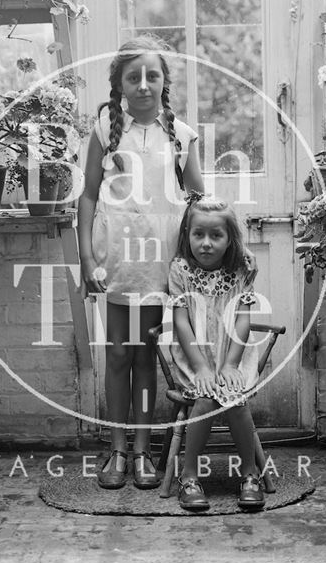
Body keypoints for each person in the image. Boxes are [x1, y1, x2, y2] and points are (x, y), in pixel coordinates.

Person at [77, 34, 205, 489]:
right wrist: (86, 256)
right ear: (120, 84)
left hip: (157, 263)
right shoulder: (105, 127)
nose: (144, 84)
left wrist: (203, 254)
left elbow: (198, 199)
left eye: (153, 75)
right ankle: (116, 450)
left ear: (164, 82)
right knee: (116, 355)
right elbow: (89, 195)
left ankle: (143, 451)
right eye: (134, 77)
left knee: (146, 357)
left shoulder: (182, 134)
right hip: (115, 260)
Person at [168, 192, 265, 511]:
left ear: (230, 239)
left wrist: (230, 364)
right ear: (187, 235)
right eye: (199, 234)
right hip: (194, 356)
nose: (206, 243)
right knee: (206, 399)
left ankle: (250, 474)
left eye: (216, 235)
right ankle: (189, 476)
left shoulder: (240, 270)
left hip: (232, 354)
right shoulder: (180, 269)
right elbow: (181, 324)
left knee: (234, 398)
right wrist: (203, 369)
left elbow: (242, 321)